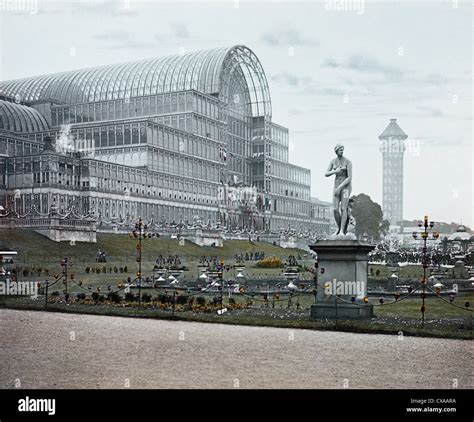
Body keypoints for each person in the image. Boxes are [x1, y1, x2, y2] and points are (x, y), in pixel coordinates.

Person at [325, 143, 352, 235]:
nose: (342, 151)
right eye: (340, 150)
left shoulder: (348, 162)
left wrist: (340, 187)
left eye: (342, 149)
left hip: (345, 187)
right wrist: (335, 171)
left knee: (343, 208)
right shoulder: (333, 161)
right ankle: (339, 227)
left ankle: (341, 231)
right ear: (336, 151)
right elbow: (326, 173)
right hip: (336, 185)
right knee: (335, 209)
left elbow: (349, 177)